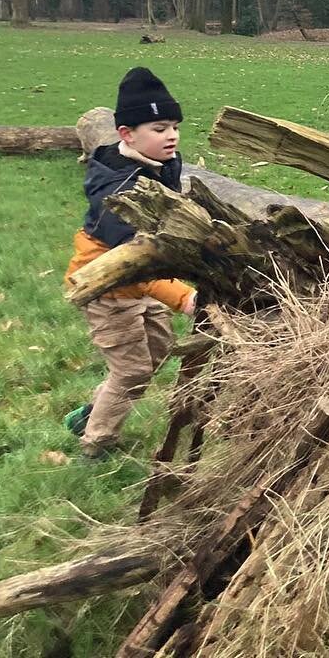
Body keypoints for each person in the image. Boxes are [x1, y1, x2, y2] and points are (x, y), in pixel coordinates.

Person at [63, 67, 197, 459]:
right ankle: (96, 444)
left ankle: (91, 414)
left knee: (158, 350)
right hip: (108, 288)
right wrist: (183, 296)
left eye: (174, 126)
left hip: (142, 283)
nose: (171, 135)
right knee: (133, 371)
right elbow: (138, 255)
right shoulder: (117, 192)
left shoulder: (165, 163)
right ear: (126, 134)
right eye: (159, 128)